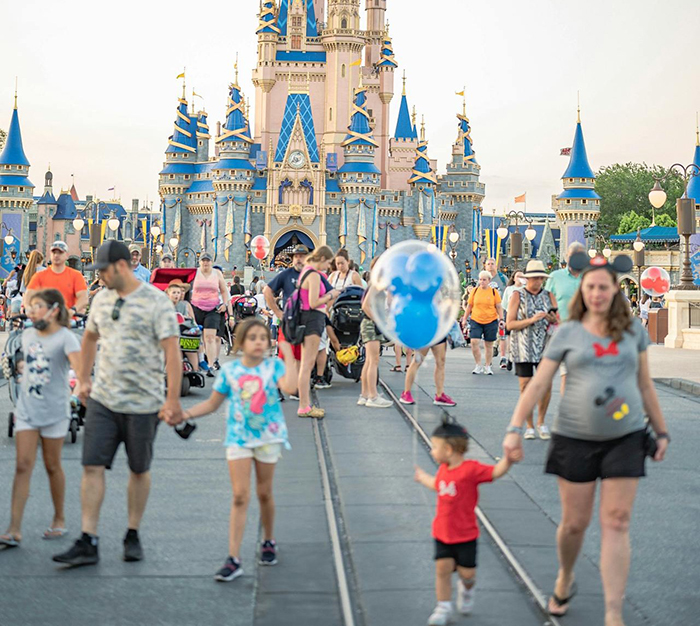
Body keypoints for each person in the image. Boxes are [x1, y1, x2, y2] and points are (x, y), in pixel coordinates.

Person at [503, 252, 669, 626]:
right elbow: (540, 383)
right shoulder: (568, 332)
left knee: (617, 521)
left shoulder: (633, 332)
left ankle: (613, 611)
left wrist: (661, 430)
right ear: (583, 290)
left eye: (603, 287)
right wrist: (515, 428)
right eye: (590, 286)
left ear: (615, 290)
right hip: (574, 437)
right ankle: (565, 576)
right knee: (574, 524)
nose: (596, 293)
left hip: (625, 436)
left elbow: (644, 384)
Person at [52, 240, 183, 567]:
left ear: (121, 266)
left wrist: (172, 400)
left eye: (104, 271)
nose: (100, 277)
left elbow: (172, 352)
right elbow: (90, 338)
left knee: (139, 469)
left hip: (143, 401)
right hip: (104, 400)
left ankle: (132, 532)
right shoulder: (101, 299)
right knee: (91, 466)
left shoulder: (157, 301)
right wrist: (83, 379)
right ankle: (88, 538)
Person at [164, 319, 298, 581]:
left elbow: (291, 388)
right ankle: (233, 558)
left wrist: (290, 354)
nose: (259, 342)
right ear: (241, 343)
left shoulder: (274, 366)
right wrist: (185, 414)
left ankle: (268, 540)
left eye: (263, 337)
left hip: (268, 438)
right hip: (238, 439)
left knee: (264, 493)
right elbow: (213, 404)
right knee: (239, 496)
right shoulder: (230, 371)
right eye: (253, 337)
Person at [415, 418, 517, 626]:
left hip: (465, 535)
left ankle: (467, 589)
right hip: (442, 532)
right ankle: (443, 606)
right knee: (442, 569)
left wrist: (507, 461)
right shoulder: (443, 469)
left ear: (449, 449)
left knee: (467, 573)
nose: (432, 451)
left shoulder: (471, 470)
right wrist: (423, 478)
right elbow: (438, 485)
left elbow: (494, 473)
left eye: (435, 447)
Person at [0, 289, 82, 548]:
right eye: (30, 307)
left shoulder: (66, 338)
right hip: (27, 410)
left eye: (37, 307)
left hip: (55, 410)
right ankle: (14, 529)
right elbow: (25, 364)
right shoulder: (26, 336)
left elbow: (80, 373)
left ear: (53, 310)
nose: (31, 311)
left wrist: (76, 396)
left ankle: (59, 519)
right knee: (23, 465)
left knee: (52, 465)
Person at [506, 260, 558, 441]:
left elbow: (556, 320)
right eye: (536, 278)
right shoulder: (517, 295)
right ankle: (528, 425)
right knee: (526, 385)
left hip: (544, 346)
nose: (539, 282)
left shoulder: (548, 295)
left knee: (546, 385)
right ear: (528, 279)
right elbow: (510, 323)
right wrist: (531, 320)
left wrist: (551, 318)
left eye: (541, 278)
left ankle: (541, 422)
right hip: (523, 346)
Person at [296, 246, 341, 418]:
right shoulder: (313, 275)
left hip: (307, 319)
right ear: (322, 258)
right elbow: (314, 302)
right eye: (329, 263)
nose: (328, 267)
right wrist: (331, 295)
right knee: (307, 365)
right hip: (312, 320)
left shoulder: (306, 271)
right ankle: (304, 406)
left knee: (306, 365)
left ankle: (305, 404)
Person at [191, 252, 233, 376]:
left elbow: (224, 291)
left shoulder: (217, 274)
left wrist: (224, 304)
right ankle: (197, 362)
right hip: (196, 307)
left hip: (212, 308)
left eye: (208, 261)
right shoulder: (195, 273)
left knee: (210, 337)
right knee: (196, 336)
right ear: (199, 262)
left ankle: (210, 364)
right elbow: (187, 288)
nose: (205, 263)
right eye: (203, 260)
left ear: (211, 262)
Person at [359, 261, 393, 407]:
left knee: (369, 361)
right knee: (373, 361)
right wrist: (378, 321)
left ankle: (365, 394)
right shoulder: (376, 284)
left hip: (368, 324)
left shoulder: (374, 283)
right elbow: (365, 305)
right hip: (371, 324)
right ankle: (372, 396)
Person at [24, 241, 88, 314]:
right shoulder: (39, 276)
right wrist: (29, 308)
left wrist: (73, 310)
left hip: (68, 319)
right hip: (45, 319)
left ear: (66, 255)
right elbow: (28, 295)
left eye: (60, 253)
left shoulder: (76, 276)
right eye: (54, 253)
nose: (56, 255)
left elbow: (83, 298)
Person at [462, 270, 503, 375]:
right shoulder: (475, 291)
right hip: (476, 319)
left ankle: (488, 366)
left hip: (491, 320)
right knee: (474, 342)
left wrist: (501, 319)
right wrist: (464, 318)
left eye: (484, 280)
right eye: (480, 279)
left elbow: (498, 306)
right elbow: (469, 306)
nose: (482, 282)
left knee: (488, 345)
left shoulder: (494, 292)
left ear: (489, 280)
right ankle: (478, 365)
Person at [545, 242, 586, 322]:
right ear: (566, 257)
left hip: (585, 329)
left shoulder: (590, 277)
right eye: (572, 256)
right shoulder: (555, 277)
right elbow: (545, 303)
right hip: (560, 327)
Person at [166, 279, 199, 372]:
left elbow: (191, 320)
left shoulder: (183, 305)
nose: (176, 295)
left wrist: (187, 319)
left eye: (178, 293)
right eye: (174, 293)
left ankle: (194, 370)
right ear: (168, 294)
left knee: (190, 349)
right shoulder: (164, 305)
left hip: (182, 332)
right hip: (169, 333)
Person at [483, 257, 508, 367]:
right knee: (488, 334)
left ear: (496, 266)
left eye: (492, 264)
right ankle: (490, 354)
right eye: (488, 264)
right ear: (485, 266)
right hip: (486, 310)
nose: (490, 266)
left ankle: (502, 356)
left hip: (500, 309)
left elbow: (509, 291)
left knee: (501, 332)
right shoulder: (483, 279)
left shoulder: (502, 279)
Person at [501, 271, 526, 371]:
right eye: (518, 276)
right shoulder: (509, 289)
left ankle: (520, 358)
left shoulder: (526, 289)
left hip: (523, 316)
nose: (520, 278)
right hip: (511, 315)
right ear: (514, 278)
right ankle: (510, 358)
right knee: (511, 338)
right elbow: (505, 305)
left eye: (522, 276)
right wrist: (503, 318)